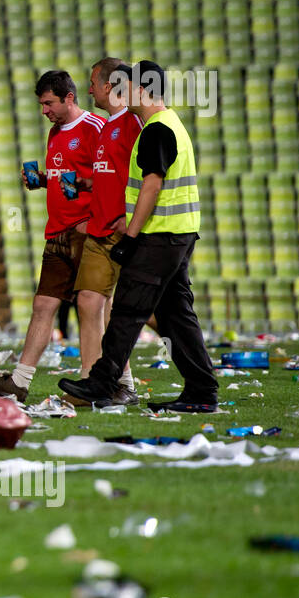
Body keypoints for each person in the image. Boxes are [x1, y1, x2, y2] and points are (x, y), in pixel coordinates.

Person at [59, 61, 218, 412]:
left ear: (142, 89)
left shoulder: (156, 129)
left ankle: (102, 382)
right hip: (177, 234)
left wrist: (130, 235)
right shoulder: (168, 124)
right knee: (177, 317)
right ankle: (202, 391)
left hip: (160, 236)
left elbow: (152, 184)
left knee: (128, 311)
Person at [0, 70, 103, 403]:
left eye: (48, 103)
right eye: (41, 104)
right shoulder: (55, 133)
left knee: (94, 309)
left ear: (69, 98)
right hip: (57, 232)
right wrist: (44, 181)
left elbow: (112, 176)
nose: (44, 111)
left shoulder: (96, 128)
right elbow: (70, 179)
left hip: (87, 232)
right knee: (43, 305)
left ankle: (100, 382)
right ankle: (19, 381)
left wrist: (95, 222)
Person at [67, 58, 141, 405]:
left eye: (94, 82)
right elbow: (107, 174)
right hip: (99, 228)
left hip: (123, 230)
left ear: (110, 86)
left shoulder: (133, 123)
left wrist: (132, 219)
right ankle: (90, 380)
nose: (90, 89)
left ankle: (122, 382)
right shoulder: (106, 126)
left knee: (122, 310)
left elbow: (149, 174)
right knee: (88, 301)